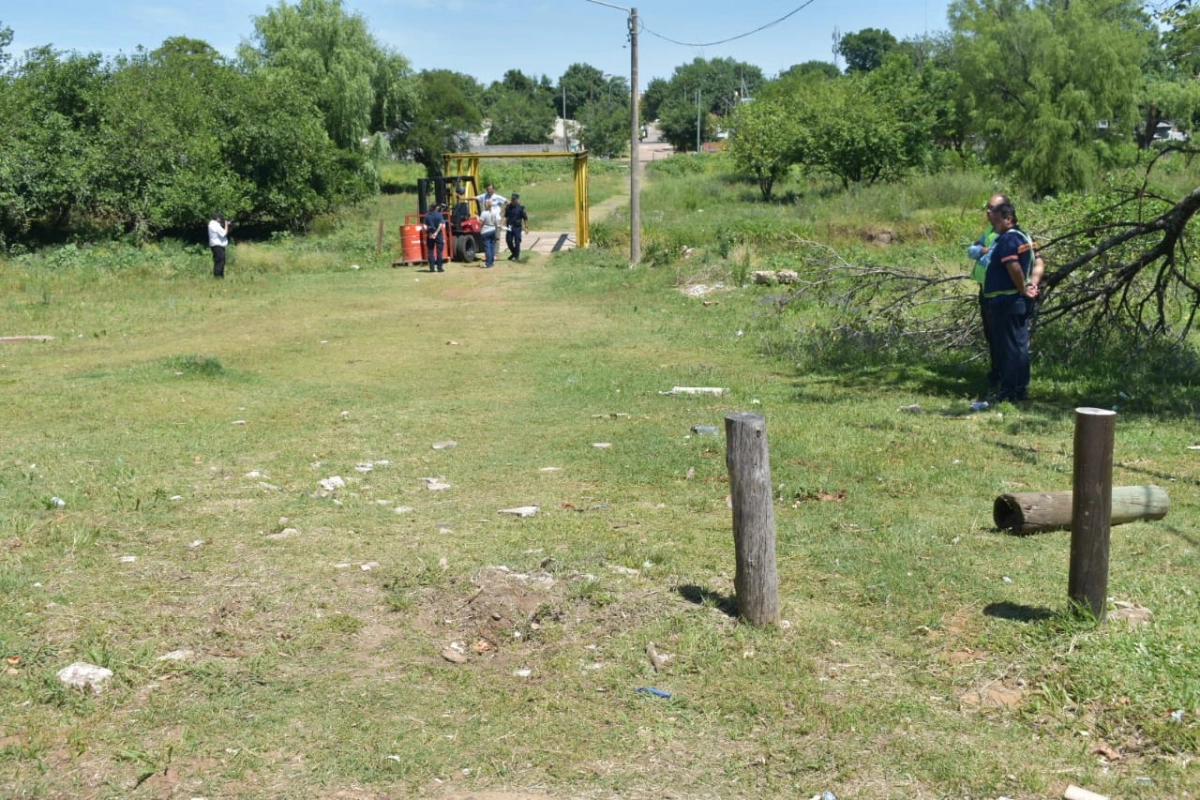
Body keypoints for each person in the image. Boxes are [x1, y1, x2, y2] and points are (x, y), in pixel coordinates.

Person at [983, 200, 1043, 403]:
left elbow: (1013, 267)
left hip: (1007, 300)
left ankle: (1008, 391)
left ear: (1008, 218)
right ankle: (1020, 388)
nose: (994, 225)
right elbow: (1039, 262)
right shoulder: (1026, 236)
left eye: (997, 221)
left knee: (1007, 347)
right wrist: (1033, 284)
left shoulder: (1009, 239)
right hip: (1019, 300)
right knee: (1019, 345)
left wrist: (1022, 288)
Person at [968, 194, 1006, 393]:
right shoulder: (990, 230)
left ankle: (1005, 378)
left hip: (999, 292)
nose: (988, 212)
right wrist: (982, 250)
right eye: (987, 208)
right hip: (985, 290)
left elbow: (995, 257)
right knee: (990, 334)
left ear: (1004, 210)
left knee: (1001, 336)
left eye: (992, 208)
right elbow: (972, 250)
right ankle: (995, 372)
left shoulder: (1008, 234)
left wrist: (983, 251)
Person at [505, 193, 529, 261]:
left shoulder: (521, 207)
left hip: (517, 227)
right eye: (512, 199)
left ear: (517, 199)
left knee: (517, 241)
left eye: (514, 199)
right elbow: (505, 216)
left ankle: (516, 256)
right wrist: (501, 224)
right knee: (508, 241)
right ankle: (514, 253)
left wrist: (526, 227)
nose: (512, 200)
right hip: (509, 226)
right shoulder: (509, 207)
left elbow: (525, 218)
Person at [424, 203, 446, 272]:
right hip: (438, 234)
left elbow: (424, 226)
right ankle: (439, 267)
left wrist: (430, 233)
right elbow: (440, 225)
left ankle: (432, 268)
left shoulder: (427, 215)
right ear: (436, 208)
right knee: (439, 252)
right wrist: (436, 233)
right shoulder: (439, 215)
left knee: (431, 251)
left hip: (430, 235)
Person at [208, 212, 231, 278]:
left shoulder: (212, 224)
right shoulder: (215, 225)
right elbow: (224, 233)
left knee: (219, 261)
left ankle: (219, 276)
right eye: (220, 218)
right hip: (218, 245)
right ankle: (218, 276)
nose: (221, 219)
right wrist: (226, 225)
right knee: (220, 261)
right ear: (217, 218)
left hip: (215, 245)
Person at [479, 204, 500, 268]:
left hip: (486, 230)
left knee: (487, 247)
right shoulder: (494, 212)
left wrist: (478, 218)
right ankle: (492, 261)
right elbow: (496, 223)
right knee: (492, 247)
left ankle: (488, 263)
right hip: (493, 229)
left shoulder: (484, 213)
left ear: (486, 206)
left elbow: (480, 223)